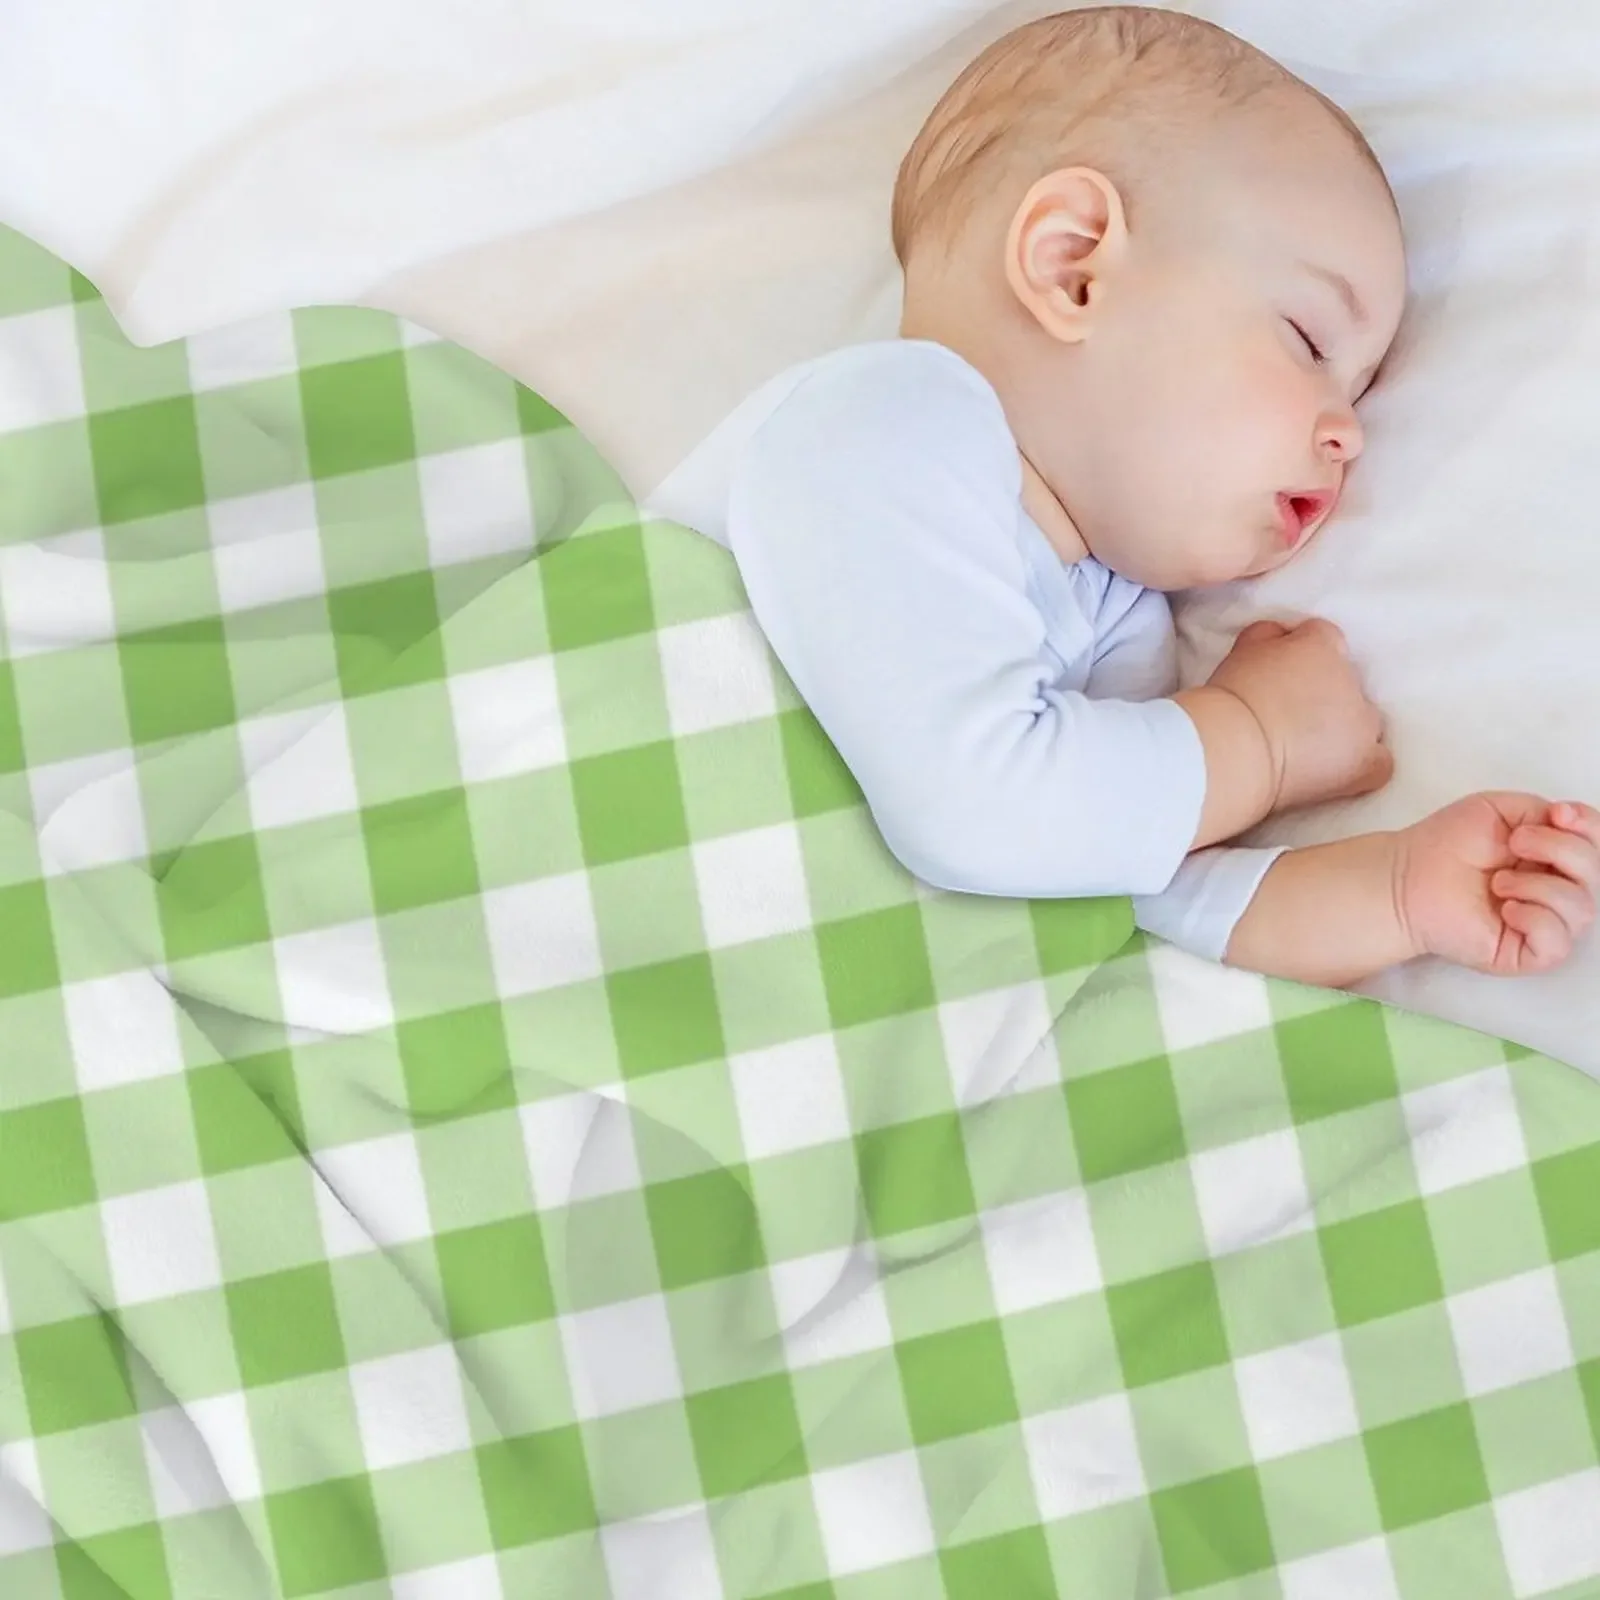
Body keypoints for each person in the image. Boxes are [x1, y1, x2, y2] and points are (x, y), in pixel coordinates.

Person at [649, 5, 1599, 988]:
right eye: (1309, 342)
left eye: (1356, 391)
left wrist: (1399, 891)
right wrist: (1257, 740)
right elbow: (977, 808)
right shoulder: (879, 423)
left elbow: (1120, 897)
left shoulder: (1110, 617)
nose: (1347, 431)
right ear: (1073, 268)